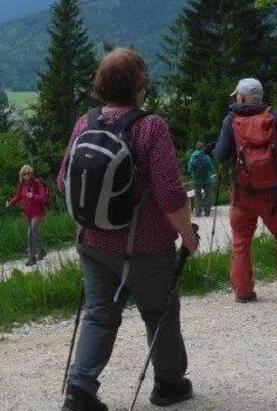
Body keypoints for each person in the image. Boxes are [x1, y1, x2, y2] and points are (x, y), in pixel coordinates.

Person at [58, 48, 199, 411]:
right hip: (145, 246)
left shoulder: (84, 123)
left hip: (91, 241)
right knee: (160, 311)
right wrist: (188, 236)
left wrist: (84, 227)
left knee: (99, 313)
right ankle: (169, 384)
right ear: (140, 84)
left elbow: (63, 182)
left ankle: (80, 390)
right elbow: (170, 193)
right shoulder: (150, 126)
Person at [212, 77, 277, 302]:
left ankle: (243, 291)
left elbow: (220, 156)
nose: (236, 98)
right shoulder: (274, 118)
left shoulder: (231, 120)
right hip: (274, 194)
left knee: (241, 241)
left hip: (243, 193)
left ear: (243, 98)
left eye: (237, 95)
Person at [6, 164, 50, 266]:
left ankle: (31, 258)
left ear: (32, 174)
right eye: (24, 174)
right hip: (28, 214)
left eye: (29, 173)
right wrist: (10, 203)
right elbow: (17, 197)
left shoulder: (37, 184)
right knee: (35, 232)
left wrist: (32, 196)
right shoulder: (22, 186)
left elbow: (43, 197)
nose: (27, 175)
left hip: (38, 213)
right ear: (21, 175)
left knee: (30, 233)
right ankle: (42, 251)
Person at [186, 141, 216, 216]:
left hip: (196, 181)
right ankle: (207, 212)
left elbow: (189, 169)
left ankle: (198, 213)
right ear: (202, 148)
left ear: (196, 148)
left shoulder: (192, 157)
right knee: (207, 195)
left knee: (197, 196)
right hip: (206, 180)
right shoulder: (206, 157)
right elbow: (211, 168)